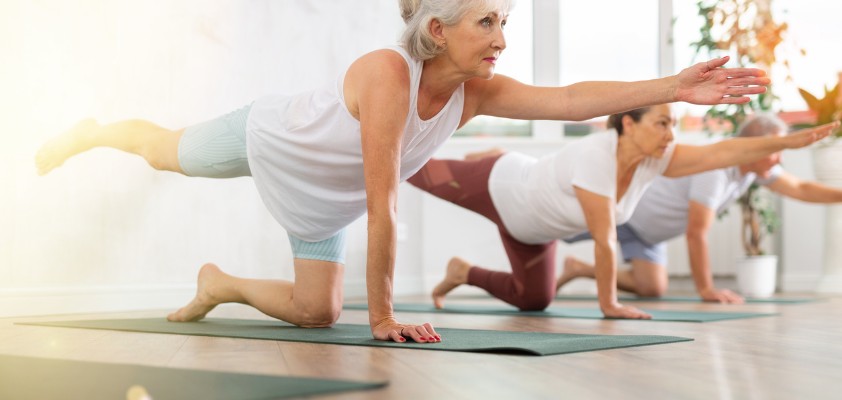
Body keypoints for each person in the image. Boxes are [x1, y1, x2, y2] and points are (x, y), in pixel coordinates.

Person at [34, 0, 776, 340]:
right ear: (436, 29)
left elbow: (574, 97)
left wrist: (673, 87)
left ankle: (217, 284)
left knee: (318, 312)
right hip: (273, 143)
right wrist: (384, 316)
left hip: (322, 206)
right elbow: (386, 203)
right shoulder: (390, 74)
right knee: (167, 152)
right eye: (487, 22)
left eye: (507, 24)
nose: (501, 39)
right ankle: (97, 132)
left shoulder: (476, 92)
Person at [409, 105, 836, 319]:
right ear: (629, 124)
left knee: (534, 300)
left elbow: (722, 150)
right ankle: (359, 143)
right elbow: (603, 238)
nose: (670, 134)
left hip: (531, 230)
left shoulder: (657, 159)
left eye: (673, 125)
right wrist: (609, 304)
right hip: (500, 185)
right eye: (662, 124)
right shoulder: (599, 153)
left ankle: (463, 272)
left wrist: (785, 144)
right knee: (411, 169)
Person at [559, 114, 842, 304]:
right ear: (752, 146)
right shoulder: (715, 170)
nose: (778, 158)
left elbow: (802, 188)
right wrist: (706, 290)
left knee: (653, 288)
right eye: (774, 148)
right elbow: (697, 233)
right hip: (626, 213)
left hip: (649, 235)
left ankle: (578, 268)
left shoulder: (756, 169)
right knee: (553, 229)